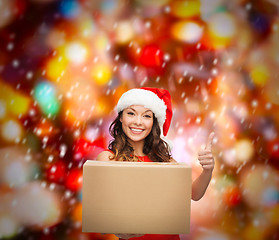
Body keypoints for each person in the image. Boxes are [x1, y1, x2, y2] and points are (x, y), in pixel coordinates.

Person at [97, 87, 215, 240]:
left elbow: (194, 194)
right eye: (131, 113)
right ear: (120, 117)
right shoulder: (108, 159)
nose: (138, 122)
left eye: (146, 116)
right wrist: (113, 227)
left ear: (153, 122)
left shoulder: (166, 161)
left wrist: (207, 170)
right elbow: (99, 209)